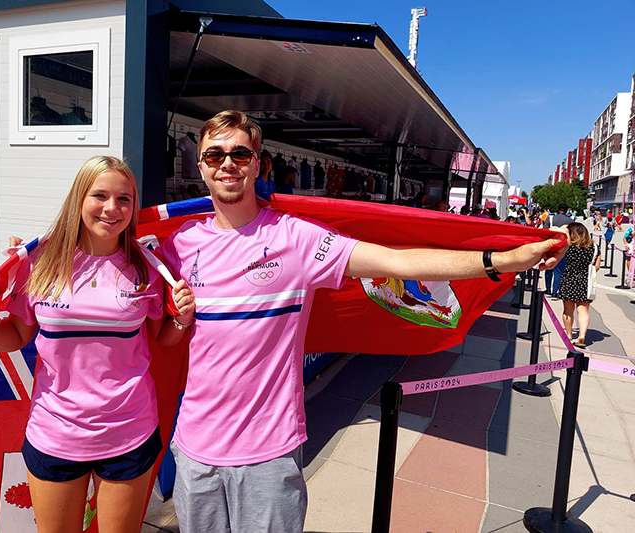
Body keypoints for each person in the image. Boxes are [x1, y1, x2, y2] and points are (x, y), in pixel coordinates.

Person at [156, 110, 568, 533]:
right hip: (195, 451)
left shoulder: (294, 237)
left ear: (257, 164)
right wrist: (181, 321)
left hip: (268, 453)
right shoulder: (177, 247)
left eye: (240, 154)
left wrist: (501, 259)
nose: (227, 164)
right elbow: (155, 332)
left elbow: (397, 262)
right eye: (215, 155)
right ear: (201, 166)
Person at [0, 156, 196, 533]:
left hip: (129, 430)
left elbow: (163, 339)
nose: (112, 208)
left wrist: (182, 319)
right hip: (55, 431)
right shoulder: (39, 261)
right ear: (79, 199)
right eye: (100, 195)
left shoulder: (148, 267)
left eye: (124, 199)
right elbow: (17, 336)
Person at [556, 223, 601, 348]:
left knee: (568, 310)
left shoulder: (568, 246)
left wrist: (564, 228)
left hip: (568, 279)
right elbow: (597, 266)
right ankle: (582, 335)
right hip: (585, 282)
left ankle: (569, 335)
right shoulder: (594, 247)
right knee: (583, 310)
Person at [548, 203, 574, 298]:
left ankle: (547, 290)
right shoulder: (570, 221)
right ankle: (555, 292)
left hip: (550, 247)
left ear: (557, 209)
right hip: (563, 248)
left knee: (548, 269)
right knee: (558, 272)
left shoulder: (550, 219)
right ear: (567, 211)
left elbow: (545, 231)